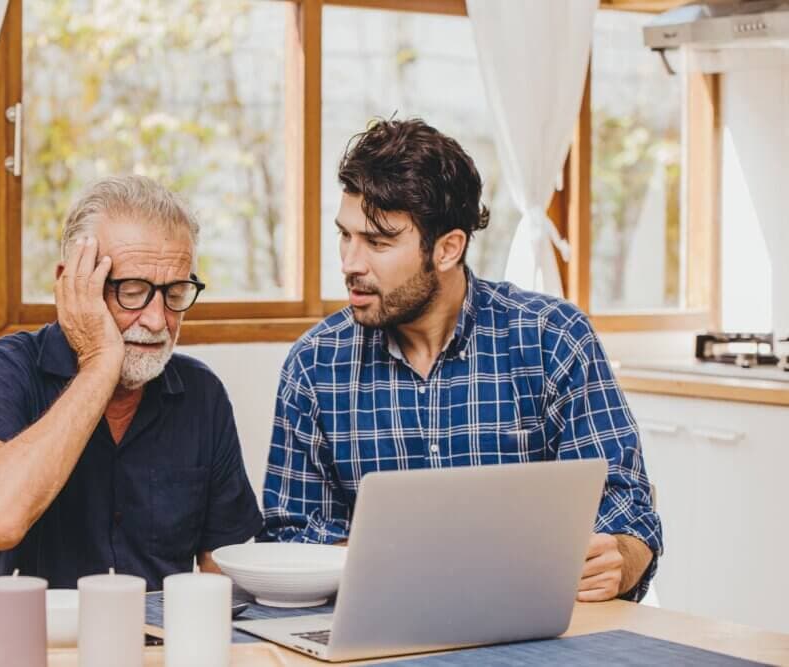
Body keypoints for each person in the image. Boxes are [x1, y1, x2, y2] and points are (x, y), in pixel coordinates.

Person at [260, 118, 662, 602]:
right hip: (380, 634)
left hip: (536, 635)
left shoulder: (552, 339)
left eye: (378, 241)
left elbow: (626, 506)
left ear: (448, 248)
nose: (350, 262)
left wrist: (621, 557)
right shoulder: (314, 365)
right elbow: (292, 533)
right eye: (345, 236)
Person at [0, 175, 262, 609]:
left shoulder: (201, 395)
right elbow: (0, 519)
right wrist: (99, 362)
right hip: (23, 648)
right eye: (132, 292)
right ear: (71, 283)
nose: (157, 319)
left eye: (175, 294)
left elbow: (222, 572)